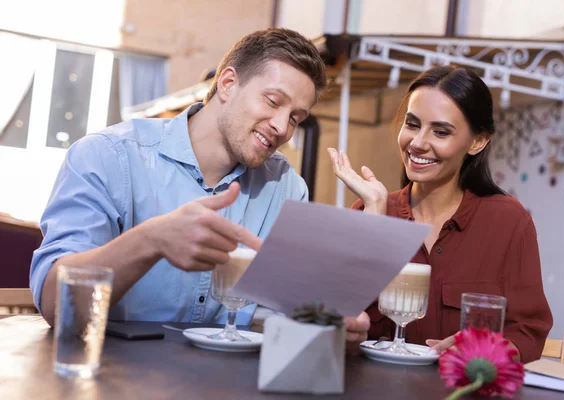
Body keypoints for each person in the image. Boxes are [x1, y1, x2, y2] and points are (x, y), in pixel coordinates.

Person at [30, 27, 369, 345]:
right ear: (227, 83)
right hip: (111, 377)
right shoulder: (107, 155)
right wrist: (151, 240)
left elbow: (276, 311)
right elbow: (55, 304)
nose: (282, 126)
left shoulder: (287, 189)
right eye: (272, 101)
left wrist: (323, 318)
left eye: (295, 117)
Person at [327, 66, 552, 363]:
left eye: (441, 131)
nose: (418, 143)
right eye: (412, 124)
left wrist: (482, 348)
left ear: (477, 141)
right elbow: (346, 329)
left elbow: (529, 332)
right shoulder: (370, 212)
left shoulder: (509, 221)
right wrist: (376, 226)